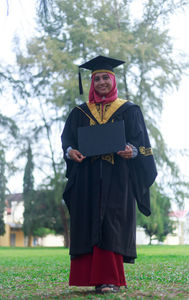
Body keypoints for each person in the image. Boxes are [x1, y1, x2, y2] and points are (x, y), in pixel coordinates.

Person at [61, 55, 157, 293]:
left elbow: (142, 144)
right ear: (91, 83)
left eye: (106, 77)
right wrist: (70, 152)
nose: (102, 82)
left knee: (111, 222)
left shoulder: (129, 110)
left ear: (113, 81)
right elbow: (67, 142)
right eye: (97, 79)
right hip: (87, 178)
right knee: (88, 220)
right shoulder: (79, 113)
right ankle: (88, 278)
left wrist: (132, 151)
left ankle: (110, 279)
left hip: (117, 178)